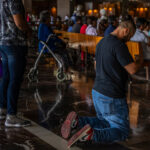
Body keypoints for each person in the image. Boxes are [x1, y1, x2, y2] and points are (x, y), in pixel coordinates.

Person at [61, 20, 143, 148]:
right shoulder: (118, 45)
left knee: (104, 121)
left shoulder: (102, 42)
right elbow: (132, 69)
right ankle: (92, 135)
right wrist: (140, 60)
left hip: (98, 91)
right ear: (126, 30)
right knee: (122, 131)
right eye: (130, 35)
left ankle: (78, 122)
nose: (129, 39)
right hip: (112, 94)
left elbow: (95, 65)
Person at [0, 0, 31, 127]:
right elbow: (19, 23)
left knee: (6, 77)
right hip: (15, 43)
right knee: (15, 80)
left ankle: (2, 109)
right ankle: (11, 116)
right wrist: (29, 31)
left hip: (3, 43)